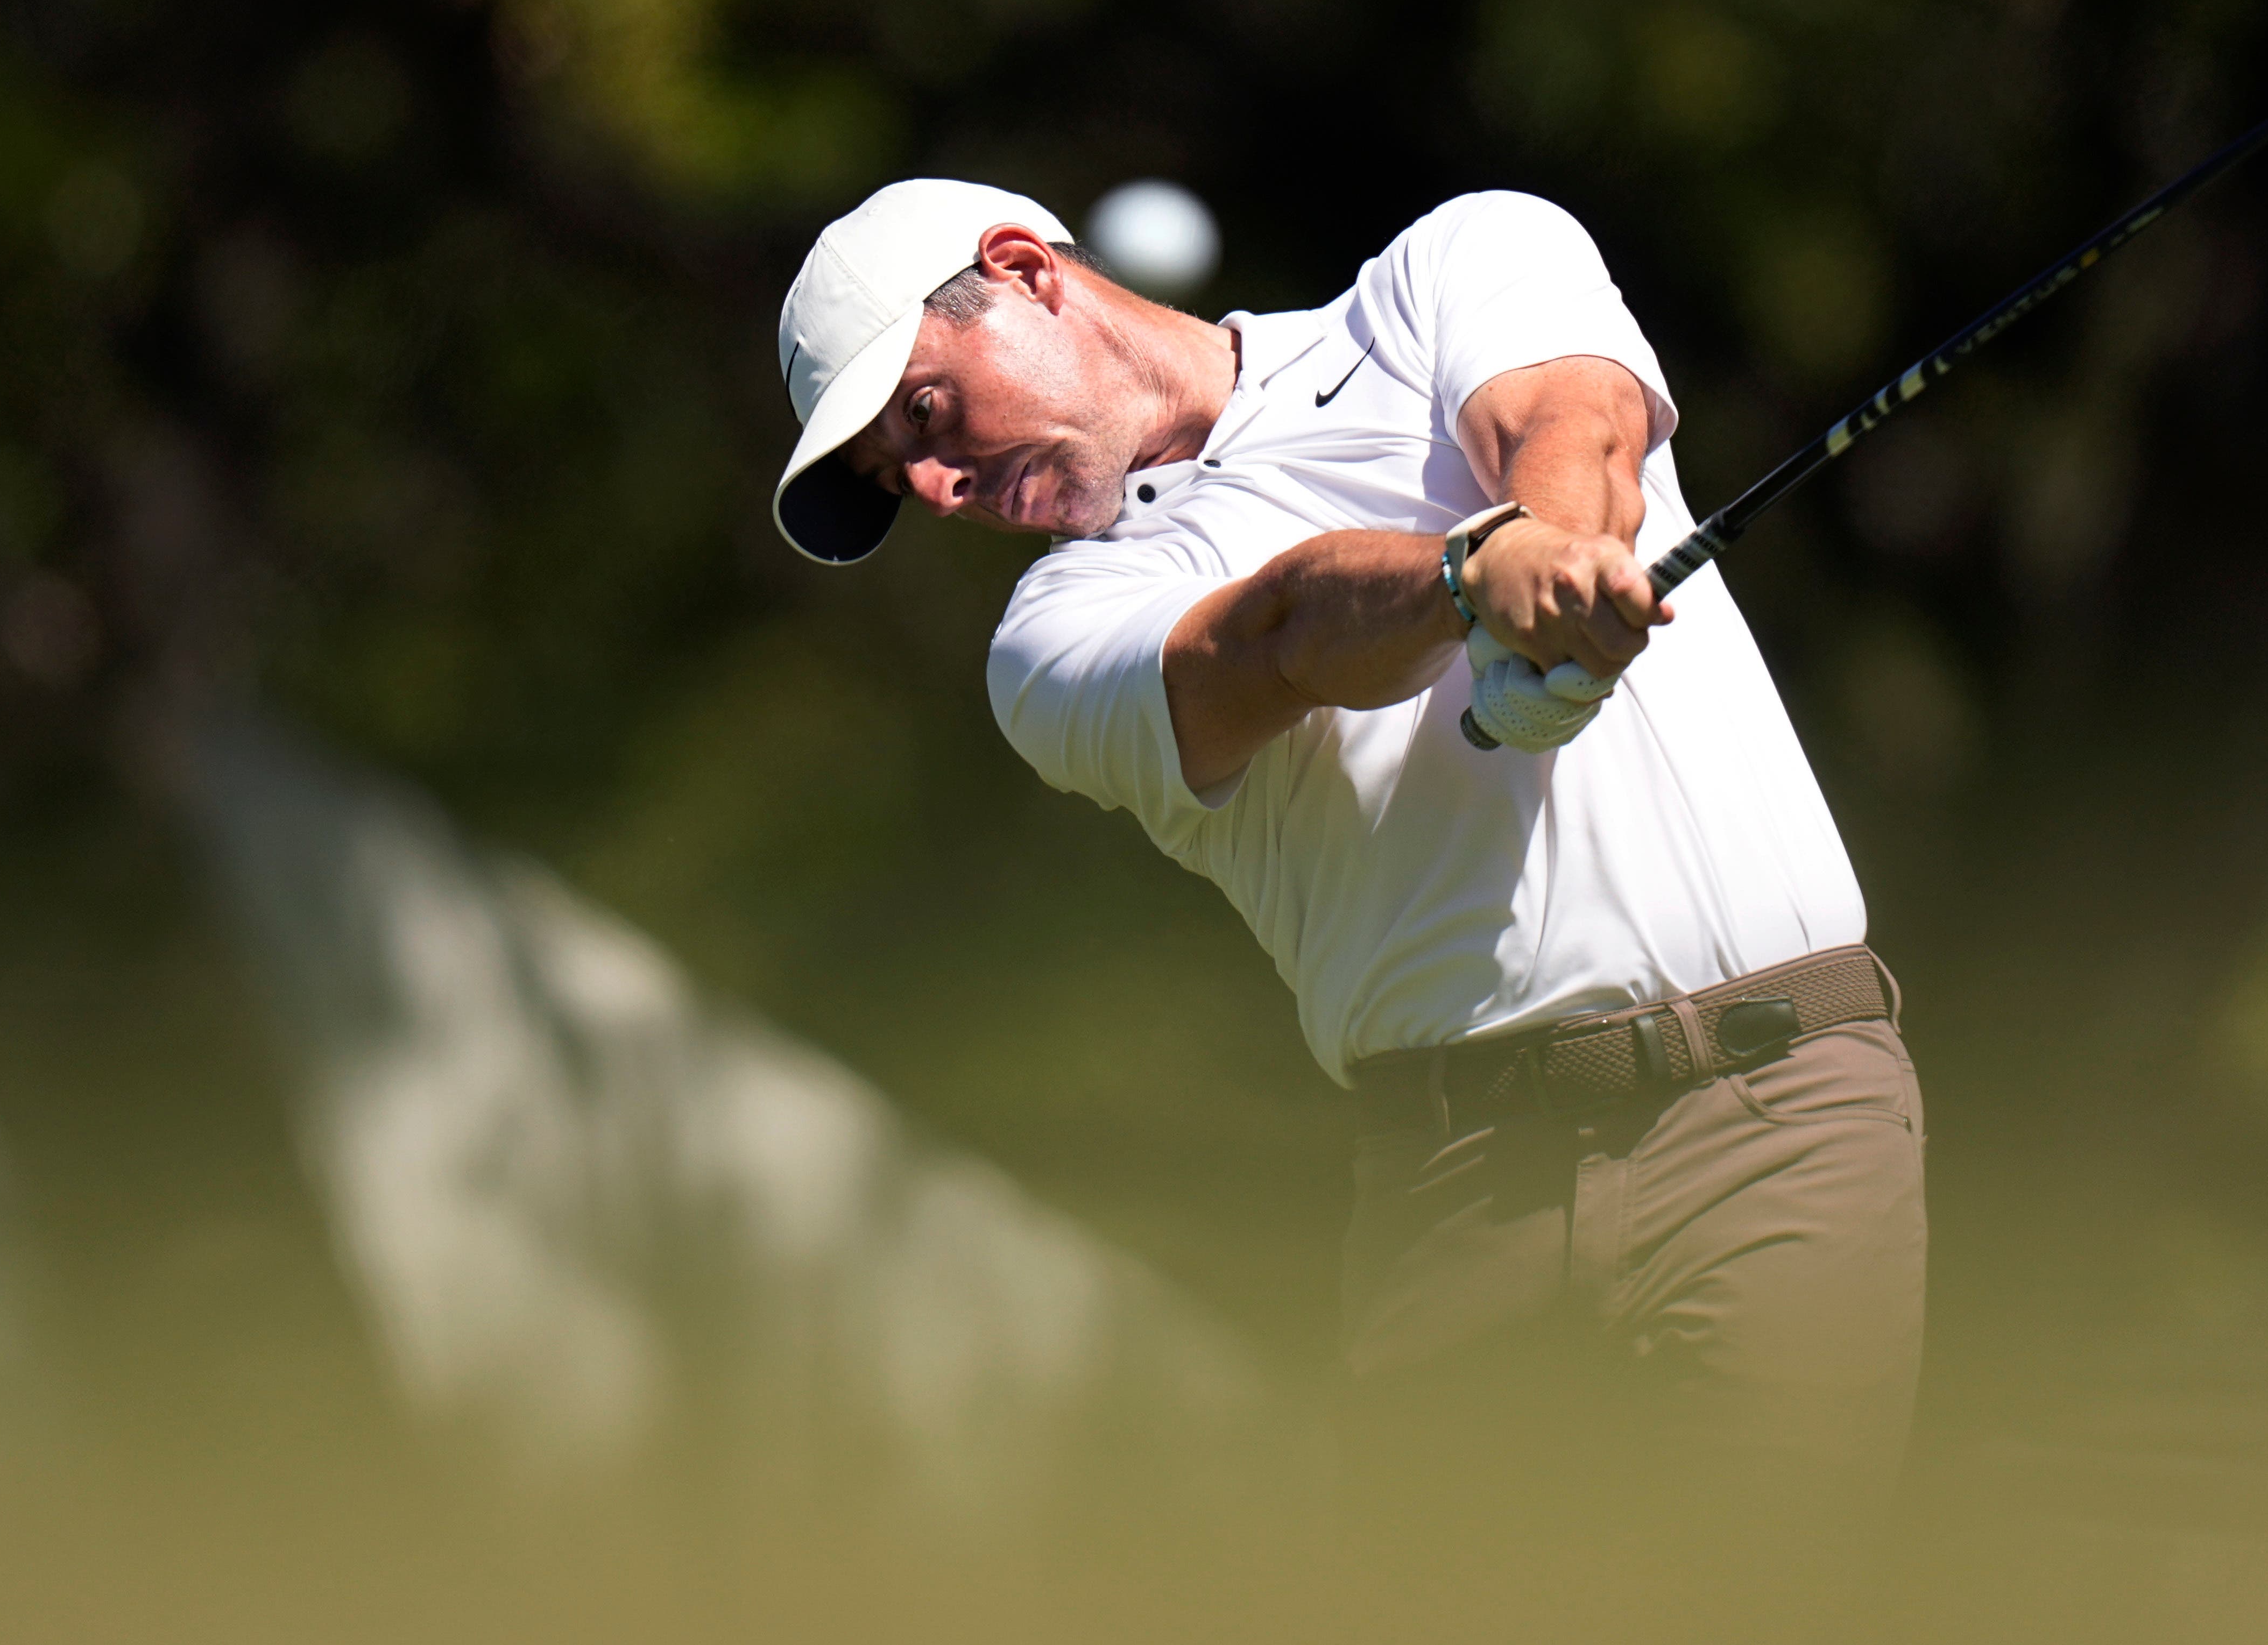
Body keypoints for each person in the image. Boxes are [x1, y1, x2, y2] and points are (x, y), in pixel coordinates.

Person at [768, 179, 1925, 1530]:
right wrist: (1472, 579)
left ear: (1023, 269)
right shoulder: (1053, 636)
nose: (935, 486)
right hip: (1460, 1190)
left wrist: (1548, 561)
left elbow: (1575, 424)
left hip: (1768, 1111)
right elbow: (1270, 638)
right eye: (896, 484)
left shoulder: (1446, 270)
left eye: (924, 414)